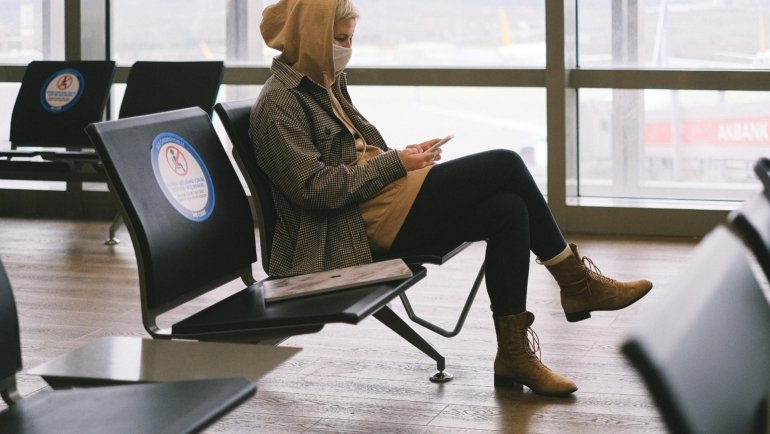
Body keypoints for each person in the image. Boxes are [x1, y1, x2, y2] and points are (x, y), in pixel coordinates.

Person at [250, 0, 652, 397]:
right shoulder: (279, 103)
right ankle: (575, 281)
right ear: (311, 37)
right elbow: (313, 189)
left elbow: (356, 159)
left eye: (350, 39)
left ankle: (514, 355)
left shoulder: (324, 82)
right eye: (339, 39)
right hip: (354, 228)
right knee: (506, 164)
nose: (347, 49)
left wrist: (406, 160)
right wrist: (396, 164)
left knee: (508, 211)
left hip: (383, 202)